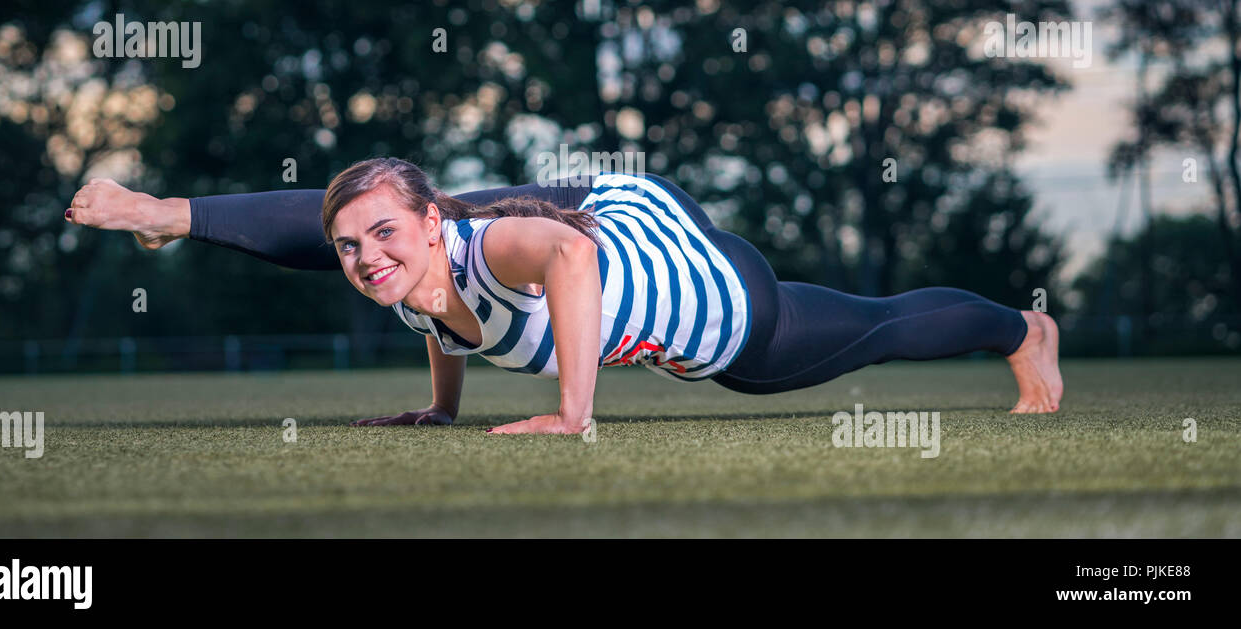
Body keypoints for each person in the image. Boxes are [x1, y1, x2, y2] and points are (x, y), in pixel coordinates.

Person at [64, 157, 1062, 434]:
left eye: (382, 237)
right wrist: (441, 406)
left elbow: (570, 268)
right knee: (387, 223)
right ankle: (172, 211)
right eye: (348, 247)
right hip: (617, 203)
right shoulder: (410, 267)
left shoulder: (485, 243)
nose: (366, 258)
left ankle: (1025, 327)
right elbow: (433, 314)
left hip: (714, 290)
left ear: (430, 231)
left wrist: (570, 413)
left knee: (872, 329)